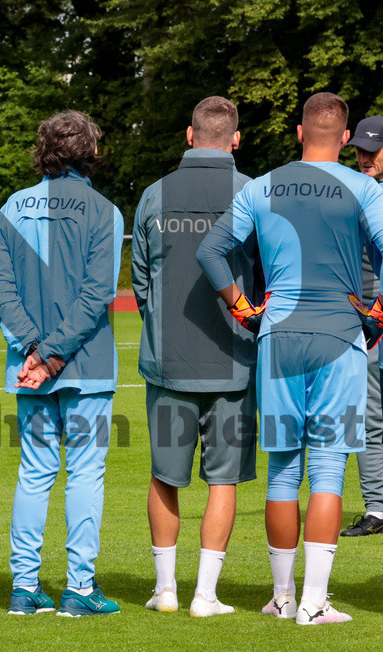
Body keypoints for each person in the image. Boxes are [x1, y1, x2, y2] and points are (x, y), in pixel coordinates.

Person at [198, 92, 383, 625]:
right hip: (339, 337)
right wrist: (377, 311)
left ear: (299, 133)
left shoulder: (260, 187)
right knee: (328, 469)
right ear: (346, 139)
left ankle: (281, 597)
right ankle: (313, 603)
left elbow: (211, 251)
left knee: (283, 472)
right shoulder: (364, 187)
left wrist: (240, 307)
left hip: (277, 337)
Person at [0, 110, 122, 617]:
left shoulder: (11, 208)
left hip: (31, 366)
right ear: (90, 151)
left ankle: (24, 589)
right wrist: (52, 353)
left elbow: (0, 291)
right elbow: (98, 294)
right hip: (83, 365)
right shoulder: (104, 210)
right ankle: (79, 589)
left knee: (35, 472)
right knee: (85, 474)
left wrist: (35, 351)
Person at [132, 97, 259, 616]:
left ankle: (165, 590)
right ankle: (205, 595)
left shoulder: (153, 195)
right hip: (234, 359)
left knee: (165, 475)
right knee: (222, 479)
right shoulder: (254, 192)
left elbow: (141, 283)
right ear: (235, 138)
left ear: (189, 135)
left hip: (168, 362)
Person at [340, 115, 383, 538]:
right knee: (368, 418)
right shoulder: (353, 193)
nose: (365, 157)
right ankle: (377, 509)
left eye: (374, 149)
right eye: (360, 150)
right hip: (368, 326)